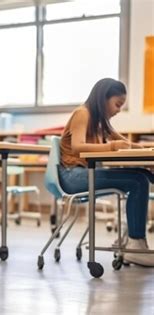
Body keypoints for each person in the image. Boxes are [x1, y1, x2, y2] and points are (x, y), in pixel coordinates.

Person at [59, 78, 154, 267]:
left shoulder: (101, 121)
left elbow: (127, 144)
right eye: (117, 104)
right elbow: (77, 147)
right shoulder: (82, 113)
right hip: (72, 176)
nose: (119, 110)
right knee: (138, 181)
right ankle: (134, 244)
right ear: (103, 98)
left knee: (143, 175)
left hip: (85, 173)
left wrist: (148, 148)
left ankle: (133, 241)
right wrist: (112, 146)